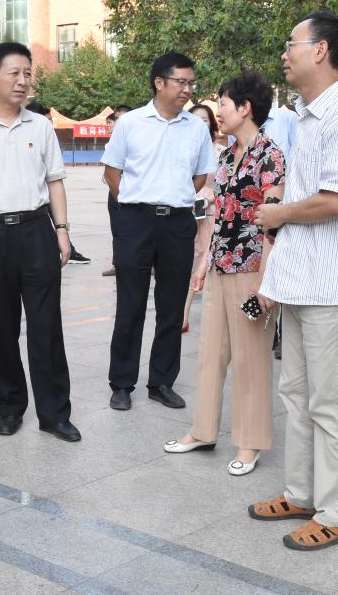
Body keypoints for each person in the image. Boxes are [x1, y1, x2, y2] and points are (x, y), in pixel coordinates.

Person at [249, 10, 338, 551]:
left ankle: (337, 513)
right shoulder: (307, 117)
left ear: (321, 50)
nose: (285, 53)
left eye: (292, 43)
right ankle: (302, 493)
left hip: (332, 285)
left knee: (331, 403)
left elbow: (335, 200)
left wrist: (278, 212)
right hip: (301, 280)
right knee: (298, 395)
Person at [0, 41, 80, 442]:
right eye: (14, 73)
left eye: (27, 73)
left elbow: (54, 181)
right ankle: (9, 408)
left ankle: (54, 414)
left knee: (46, 326)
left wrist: (62, 230)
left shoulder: (39, 125)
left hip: (36, 230)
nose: (23, 81)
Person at [164, 71, 285, 477]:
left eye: (224, 103)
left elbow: (273, 222)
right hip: (220, 266)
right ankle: (203, 431)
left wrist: (266, 279)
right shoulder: (227, 155)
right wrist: (203, 264)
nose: (219, 110)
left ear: (245, 107)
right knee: (211, 354)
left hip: (252, 271)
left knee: (251, 359)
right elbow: (218, 212)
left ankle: (251, 442)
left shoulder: (270, 155)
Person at [102, 53, 214, 411]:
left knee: (171, 306)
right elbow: (111, 172)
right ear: (159, 82)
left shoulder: (196, 128)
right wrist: (131, 205)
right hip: (136, 221)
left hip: (177, 224)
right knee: (130, 304)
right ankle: (122, 383)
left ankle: (162, 381)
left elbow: (200, 176)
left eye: (191, 83)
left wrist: (173, 198)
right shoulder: (131, 123)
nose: (187, 89)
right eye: (181, 81)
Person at [26, 101, 91, 265]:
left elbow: (55, 175)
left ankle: (68, 249)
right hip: (34, 195)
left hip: (47, 189)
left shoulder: (46, 135)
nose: (50, 123)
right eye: (48, 119)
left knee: (57, 220)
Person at [182, 103, 226, 333]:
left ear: (211, 124)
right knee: (185, 261)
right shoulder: (180, 148)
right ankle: (182, 313)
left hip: (209, 212)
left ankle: (195, 316)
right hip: (183, 212)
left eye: (205, 119)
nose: (200, 123)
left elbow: (225, 186)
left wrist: (208, 199)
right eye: (195, 119)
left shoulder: (221, 153)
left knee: (205, 260)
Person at [101, 104, 132, 277]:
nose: (120, 122)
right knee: (117, 229)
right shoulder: (113, 142)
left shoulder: (139, 140)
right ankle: (118, 264)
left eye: (124, 118)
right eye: (117, 119)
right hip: (115, 192)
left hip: (135, 193)